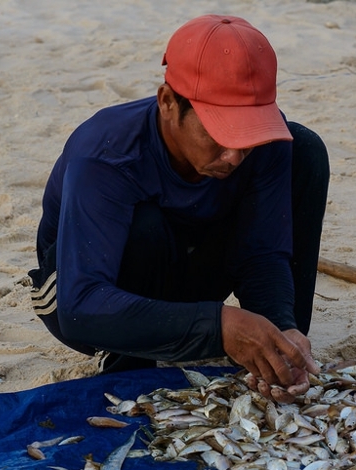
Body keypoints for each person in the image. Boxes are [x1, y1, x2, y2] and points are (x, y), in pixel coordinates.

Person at [28, 15, 328, 403]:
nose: (234, 155)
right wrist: (219, 325)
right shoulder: (107, 154)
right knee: (146, 227)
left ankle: (278, 344)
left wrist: (280, 325)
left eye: (248, 132)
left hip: (187, 262)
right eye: (221, 131)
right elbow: (80, 306)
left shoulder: (263, 146)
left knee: (304, 150)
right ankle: (126, 356)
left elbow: (263, 253)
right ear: (168, 103)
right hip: (83, 290)